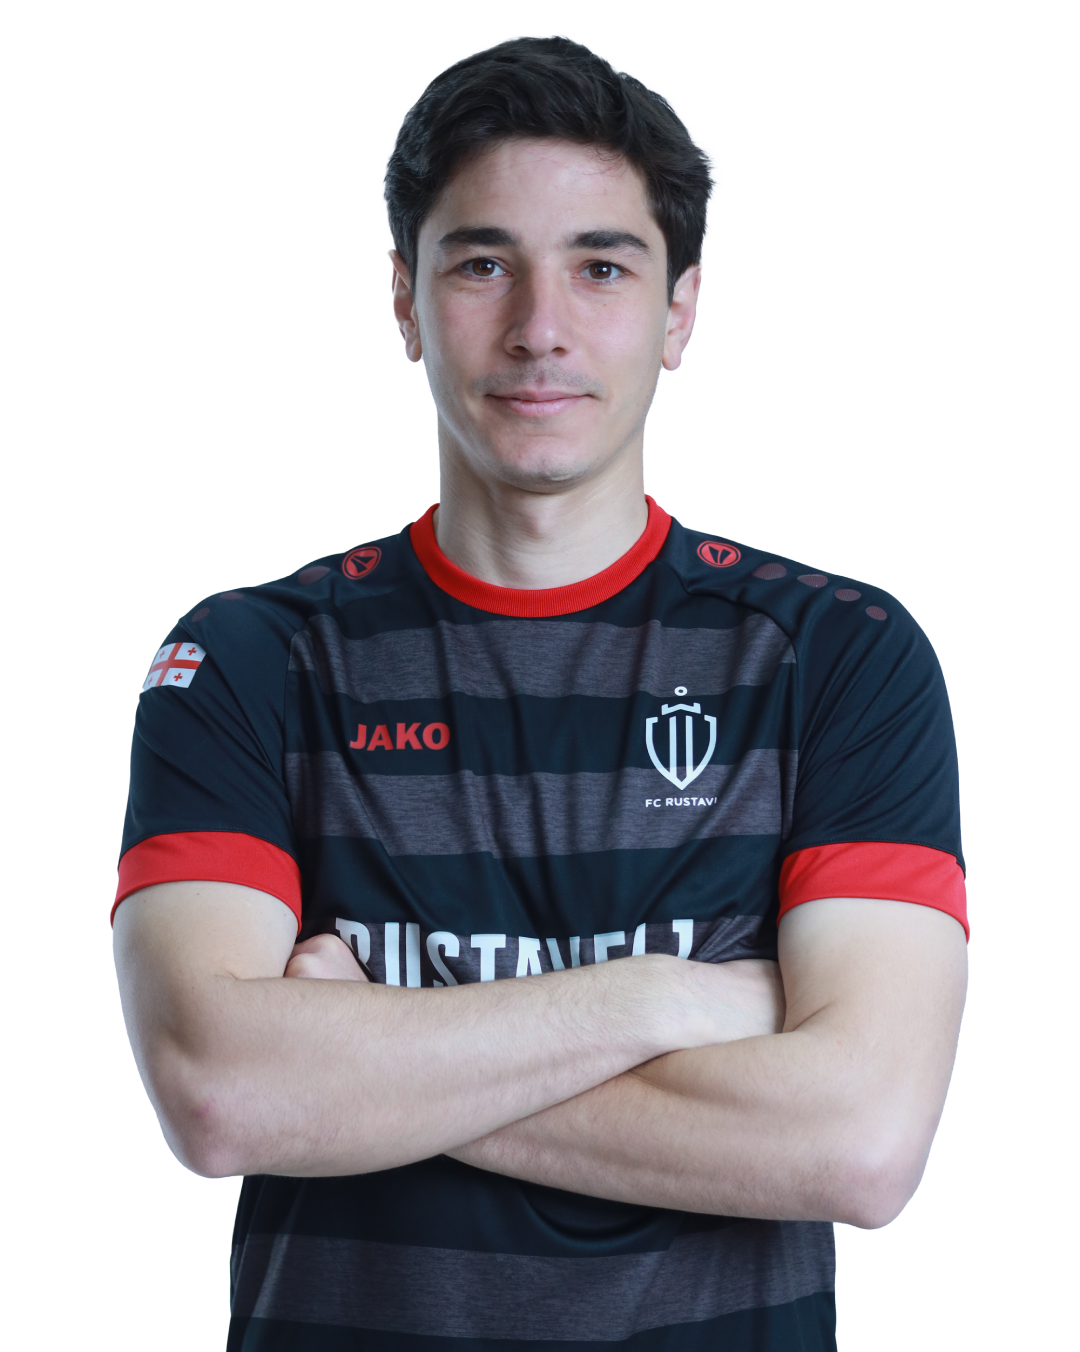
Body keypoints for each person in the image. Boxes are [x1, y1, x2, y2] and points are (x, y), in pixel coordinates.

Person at [112, 32, 968, 1351]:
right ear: (403, 298)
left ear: (680, 312)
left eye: (601, 266)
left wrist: (362, 1058)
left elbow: (859, 1145)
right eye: (482, 263)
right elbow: (222, 1098)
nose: (540, 329)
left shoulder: (841, 655)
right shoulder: (244, 658)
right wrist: (658, 1001)